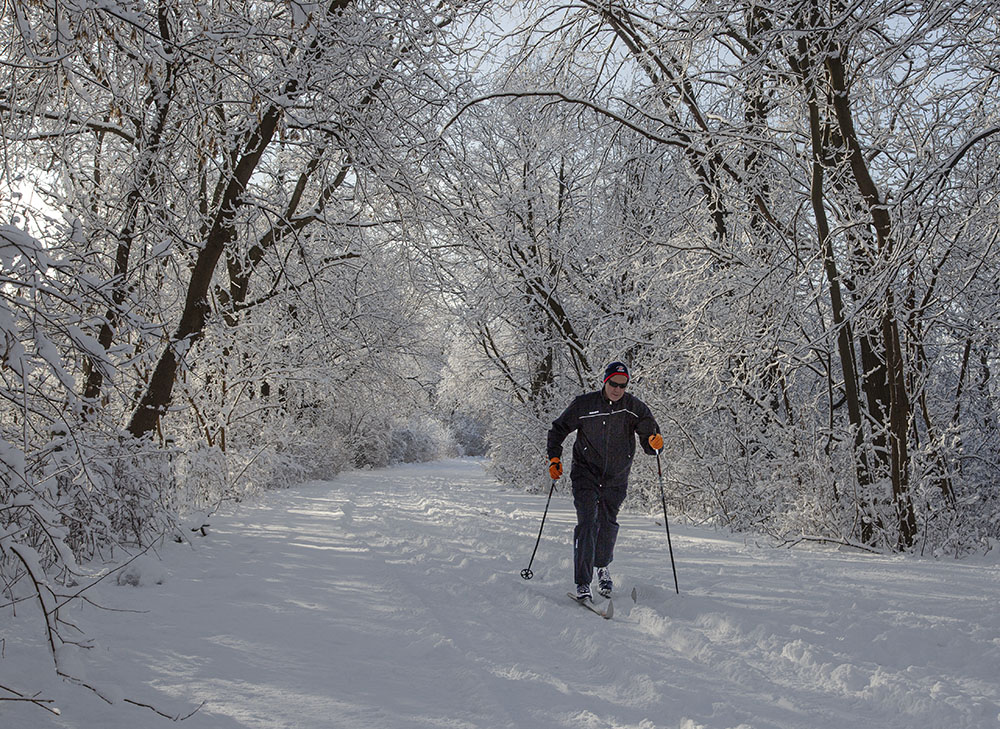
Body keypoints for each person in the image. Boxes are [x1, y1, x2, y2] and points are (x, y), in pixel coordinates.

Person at [546, 361, 662, 602]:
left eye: (623, 385)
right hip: (585, 474)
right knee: (588, 523)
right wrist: (554, 458)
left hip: (616, 477)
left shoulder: (634, 408)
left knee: (607, 524)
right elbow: (558, 430)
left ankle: (602, 567)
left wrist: (654, 444)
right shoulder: (584, 404)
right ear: (605, 381)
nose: (617, 389)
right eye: (613, 384)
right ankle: (582, 582)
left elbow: (649, 435)